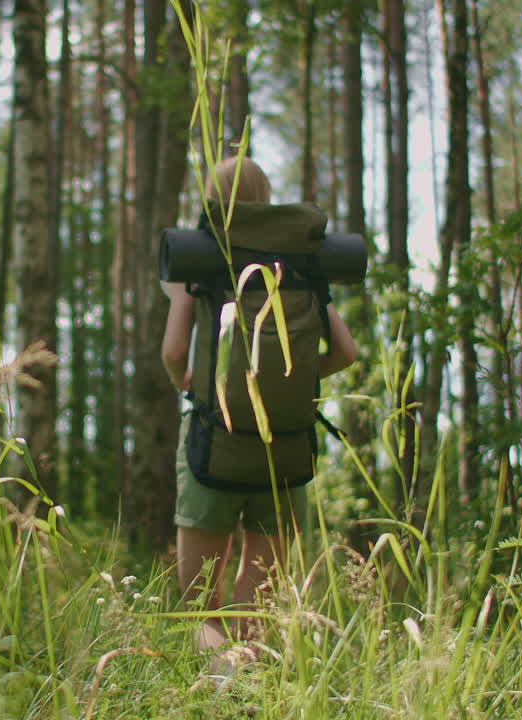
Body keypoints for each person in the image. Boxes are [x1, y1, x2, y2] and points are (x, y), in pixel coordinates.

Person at [160, 156, 358, 654]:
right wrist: (295, 382)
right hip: (285, 450)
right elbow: (346, 353)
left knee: (199, 602)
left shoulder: (205, 257)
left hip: (214, 442)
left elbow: (173, 351)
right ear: (266, 197)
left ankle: (214, 690)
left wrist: (186, 382)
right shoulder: (303, 260)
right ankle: (249, 691)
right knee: (259, 604)